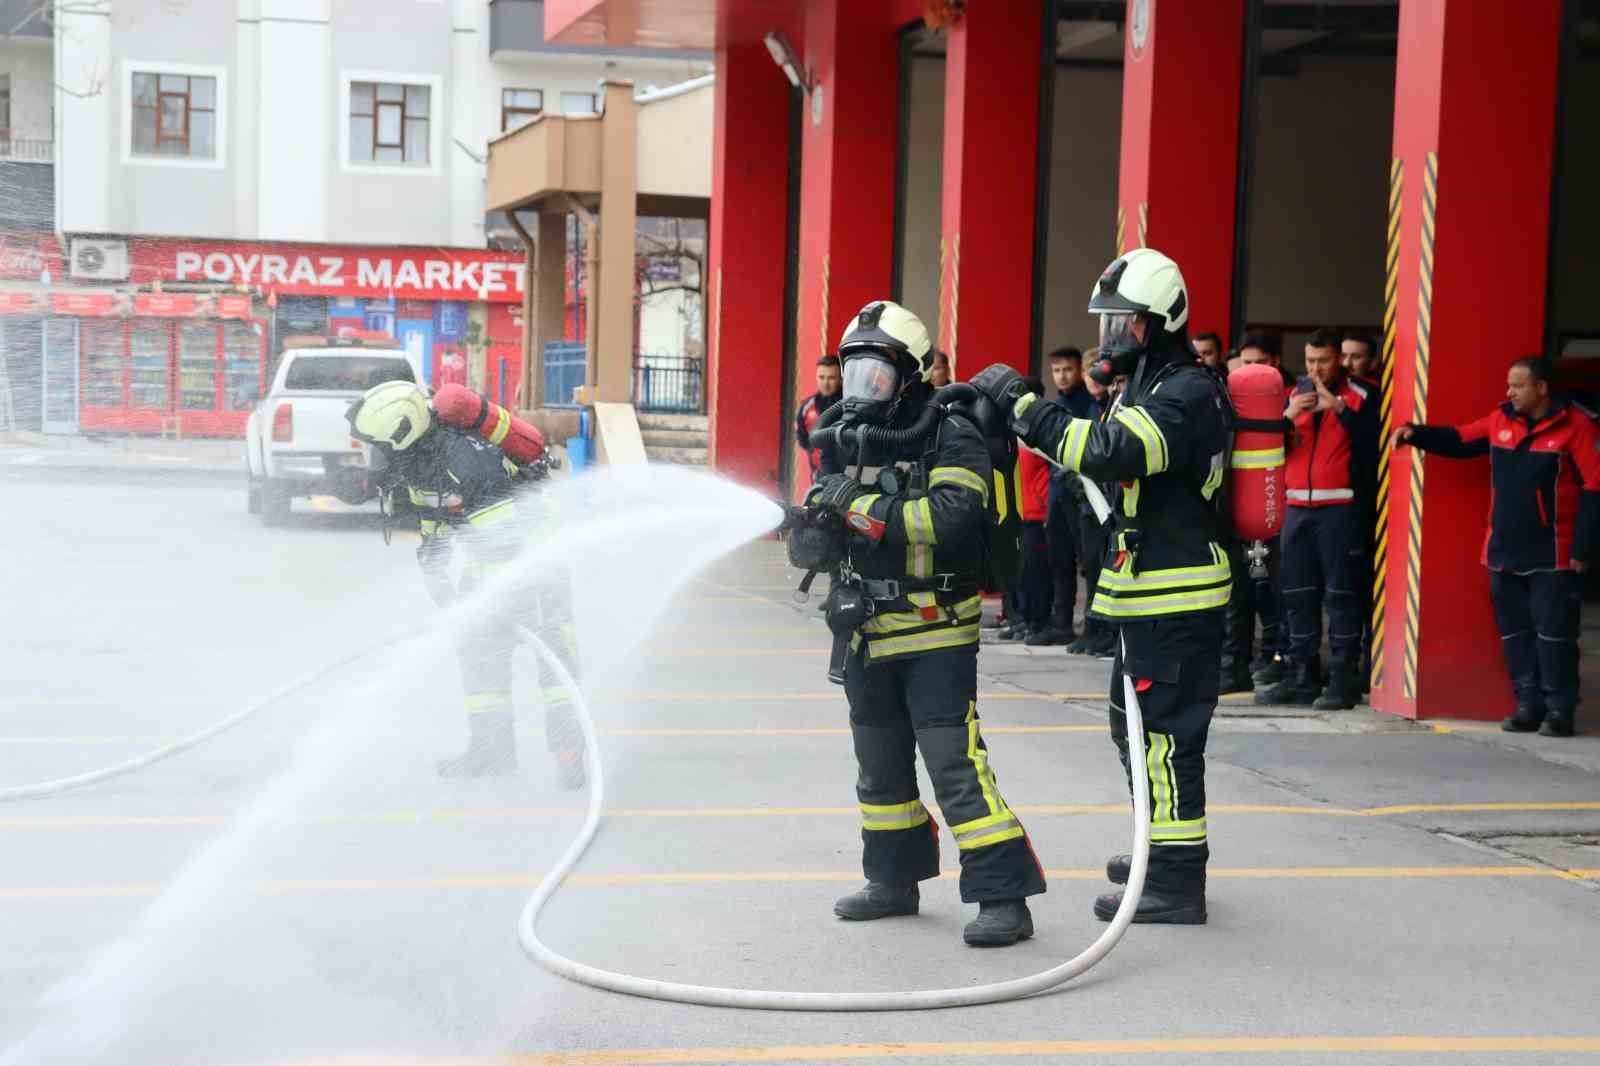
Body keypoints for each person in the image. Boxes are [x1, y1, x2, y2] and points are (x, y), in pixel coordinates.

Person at [974, 248, 1231, 925]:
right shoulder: (1152, 383)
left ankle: (1175, 881)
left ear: (1159, 321)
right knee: (1136, 732)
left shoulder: (1185, 392)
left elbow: (1108, 452)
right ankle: (1159, 843)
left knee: (1165, 740)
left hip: (1176, 600)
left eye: (1125, 320)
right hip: (1148, 595)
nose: (1112, 333)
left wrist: (1029, 407)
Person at [804, 300, 1046, 946]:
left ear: (910, 374)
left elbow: (954, 515)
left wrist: (858, 505)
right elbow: (840, 513)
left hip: (935, 625)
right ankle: (893, 878)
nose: (861, 390)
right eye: (853, 373)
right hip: (865, 627)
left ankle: (1003, 896)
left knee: (954, 766)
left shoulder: (950, 431)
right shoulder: (844, 433)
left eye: (875, 375)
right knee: (878, 766)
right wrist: (817, 526)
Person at [346, 381, 584, 785]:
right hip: (493, 571)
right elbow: (433, 515)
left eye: (379, 444)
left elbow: (505, 533)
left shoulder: (466, 460)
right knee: (478, 655)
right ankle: (491, 753)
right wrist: (433, 560)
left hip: (538, 567)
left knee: (553, 665)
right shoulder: (420, 462)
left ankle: (572, 756)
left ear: (402, 432)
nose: (377, 454)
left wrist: (486, 597)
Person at [1393, 356, 1600, 737]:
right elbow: (1459, 439)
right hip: (1502, 549)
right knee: (1515, 634)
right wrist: (1414, 433)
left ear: (1541, 388)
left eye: (1518, 385)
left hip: (1554, 553)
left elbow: (1595, 488)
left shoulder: (1579, 426)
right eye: (1509, 385)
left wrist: (1583, 549)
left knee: (1555, 636)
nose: (1509, 392)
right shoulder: (1500, 419)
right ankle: (1528, 705)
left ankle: (1560, 711)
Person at [1257, 329, 1378, 709]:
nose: (1316, 368)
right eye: (1310, 361)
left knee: (1341, 596)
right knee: (1296, 595)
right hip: (1296, 507)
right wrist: (1286, 419)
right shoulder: (1295, 395)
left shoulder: (1361, 395)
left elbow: (1375, 444)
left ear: (1338, 360)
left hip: (1340, 508)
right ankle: (1301, 676)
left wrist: (1338, 408)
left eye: (1323, 361)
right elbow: (1267, 449)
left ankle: (1342, 680)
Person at [1232, 331, 1292, 684]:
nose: (1252, 371)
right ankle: (1246, 657)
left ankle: (1278, 653)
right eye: (1247, 363)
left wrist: (1288, 420)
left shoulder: (1297, 397)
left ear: (1276, 362)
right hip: (1248, 504)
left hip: (1283, 506)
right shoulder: (1235, 397)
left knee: (1279, 589)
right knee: (1248, 588)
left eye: (1260, 363)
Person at [1027, 348, 1094, 647]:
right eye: (1056, 370)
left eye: (1067, 369)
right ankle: (1062, 623)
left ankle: (1093, 628)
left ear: (1079, 370)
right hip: (1057, 493)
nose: (1062, 376)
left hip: (1081, 495)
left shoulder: (1089, 403)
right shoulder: (1055, 405)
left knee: (1089, 563)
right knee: (1059, 562)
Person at [1342, 331, 1381, 692]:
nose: (1347, 363)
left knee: (1364, 593)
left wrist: (1341, 411)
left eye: (1356, 356)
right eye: (1345, 355)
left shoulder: (1369, 397)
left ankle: (1371, 666)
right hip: (1331, 510)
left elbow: (1370, 443)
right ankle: (1344, 667)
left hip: (1366, 506)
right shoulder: (1319, 394)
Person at [1017, 387, 1055, 640]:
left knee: (1039, 573)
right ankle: (1025, 619)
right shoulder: (1017, 434)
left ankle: (1040, 622)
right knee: (1022, 572)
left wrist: (1045, 505)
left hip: (1038, 516)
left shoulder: (1041, 434)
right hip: (1021, 515)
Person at [795, 354, 842, 484]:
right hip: (818, 480)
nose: (826, 383)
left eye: (831, 378)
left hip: (847, 479)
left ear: (841, 379)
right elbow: (803, 441)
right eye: (821, 377)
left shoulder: (850, 406)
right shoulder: (806, 408)